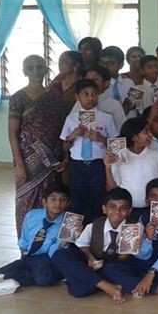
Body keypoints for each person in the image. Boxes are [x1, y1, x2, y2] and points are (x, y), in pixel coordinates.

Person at [51, 188, 152, 304]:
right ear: (104, 209)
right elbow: (82, 245)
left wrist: (126, 248)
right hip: (95, 263)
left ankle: (95, 282)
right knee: (60, 255)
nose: (117, 212)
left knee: (79, 289)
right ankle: (106, 286)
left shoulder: (135, 227)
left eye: (123, 208)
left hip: (116, 266)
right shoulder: (94, 225)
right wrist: (90, 257)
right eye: (112, 207)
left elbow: (123, 259)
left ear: (129, 211)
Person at [9, 55, 67, 235]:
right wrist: (19, 164)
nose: (35, 71)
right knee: (25, 202)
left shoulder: (55, 98)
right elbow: (13, 133)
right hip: (27, 160)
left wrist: (65, 157)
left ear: (46, 70)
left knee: (52, 201)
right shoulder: (17, 98)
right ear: (24, 71)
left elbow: (63, 131)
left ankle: (48, 244)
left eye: (39, 67)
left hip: (52, 161)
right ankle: (26, 244)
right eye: (30, 67)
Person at [104, 178, 158, 299]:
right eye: (153, 196)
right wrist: (147, 239)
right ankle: (157, 289)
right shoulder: (143, 218)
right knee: (111, 269)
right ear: (147, 201)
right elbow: (141, 255)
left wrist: (152, 271)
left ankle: (139, 283)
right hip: (148, 261)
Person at [60, 79, 118, 224]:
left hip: (98, 165)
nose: (90, 98)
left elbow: (117, 145)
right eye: (85, 94)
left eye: (94, 94)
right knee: (77, 201)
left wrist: (101, 138)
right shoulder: (71, 118)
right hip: (77, 166)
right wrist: (72, 136)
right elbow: (65, 147)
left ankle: (97, 232)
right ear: (77, 97)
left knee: (99, 200)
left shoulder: (106, 118)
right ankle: (77, 235)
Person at [0, 183, 68, 287]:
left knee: (43, 279)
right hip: (30, 256)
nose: (58, 203)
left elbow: (55, 252)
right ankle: (37, 273)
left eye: (63, 200)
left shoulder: (68, 223)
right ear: (44, 202)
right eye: (53, 199)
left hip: (47, 258)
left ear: (68, 203)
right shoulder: (32, 215)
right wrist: (25, 256)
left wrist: (64, 243)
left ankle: (45, 275)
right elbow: (24, 240)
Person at [104, 117, 158, 219]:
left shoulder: (156, 156)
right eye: (145, 132)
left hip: (153, 210)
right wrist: (108, 167)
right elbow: (112, 189)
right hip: (126, 211)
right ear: (134, 137)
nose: (150, 135)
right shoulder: (119, 157)